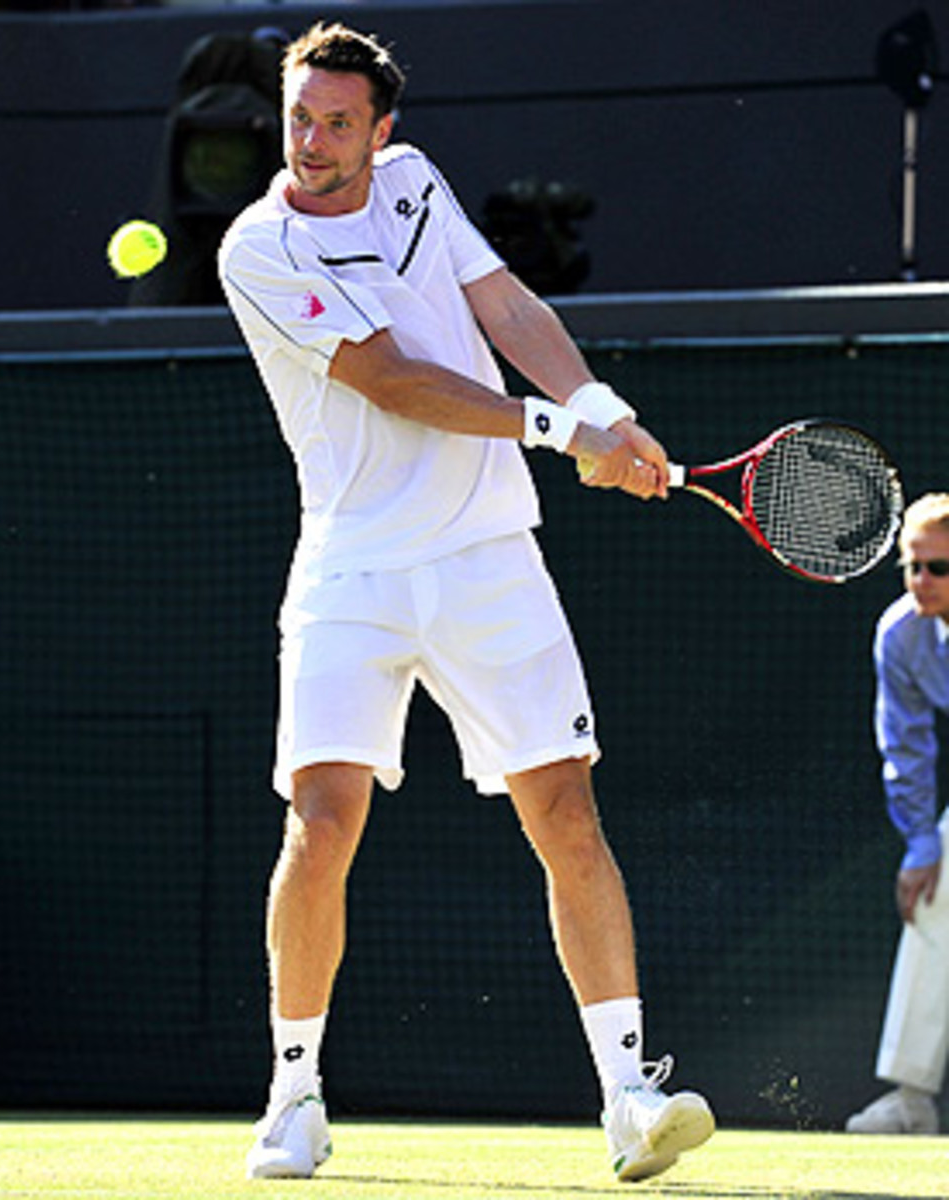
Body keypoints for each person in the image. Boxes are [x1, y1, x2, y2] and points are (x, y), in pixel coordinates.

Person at [218, 21, 715, 1183]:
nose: (314, 140)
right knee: (322, 820)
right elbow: (389, 379)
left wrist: (598, 402)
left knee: (565, 818)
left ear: (381, 130)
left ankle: (629, 1099)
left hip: (491, 558)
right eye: (299, 116)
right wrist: (557, 430)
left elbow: (503, 305)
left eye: (339, 121)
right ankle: (293, 1096)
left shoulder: (413, 184)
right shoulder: (259, 247)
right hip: (352, 565)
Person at [846, 493, 949, 1136]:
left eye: (938, 568)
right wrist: (920, 843)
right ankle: (912, 1097)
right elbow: (906, 746)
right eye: (912, 567)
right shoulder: (902, 633)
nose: (921, 582)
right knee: (936, 890)